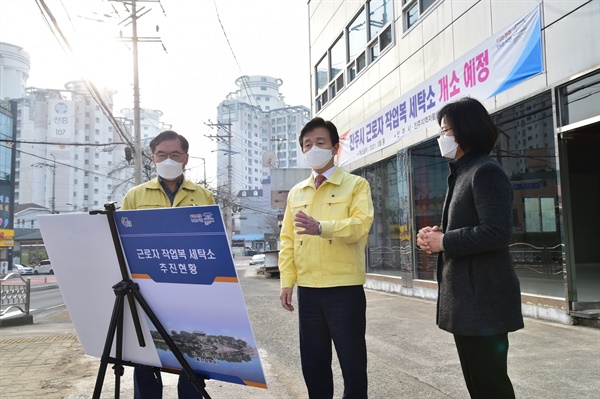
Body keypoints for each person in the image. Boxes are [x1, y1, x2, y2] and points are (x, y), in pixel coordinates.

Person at [416, 97, 524, 399]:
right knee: (479, 385)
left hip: (483, 302)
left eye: (445, 130)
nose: (442, 137)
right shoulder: (462, 172)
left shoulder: (484, 171)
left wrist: (445, 241)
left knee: (490, 386)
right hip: (468, 301)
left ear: (465, 130)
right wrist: (436, 237)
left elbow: (497, 231)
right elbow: (469, 227)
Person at [278, 117, 374, 399]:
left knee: (353, 363)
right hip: (308, 291)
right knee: (313, 363)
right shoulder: (297, 192)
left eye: (320, 142)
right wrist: (287, 281)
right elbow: (287, 239)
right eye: (307, 144)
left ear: (334, 147)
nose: (313, 148)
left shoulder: (356, 185)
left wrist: (322, 228)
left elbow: (360, 225)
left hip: (344, 289)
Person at [121, 130, 215, 399]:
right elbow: (123, 245)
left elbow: (213, 246)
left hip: (192, 289)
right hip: (147, 291)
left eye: (175, 154)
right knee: (147, 359)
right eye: (162, 154)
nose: (168, 159)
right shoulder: (135, 197)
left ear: (186, 158)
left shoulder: (203, 196)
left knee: (193, 359)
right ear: (153, 158)